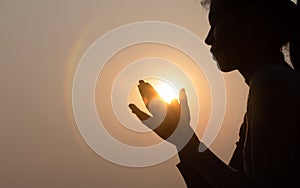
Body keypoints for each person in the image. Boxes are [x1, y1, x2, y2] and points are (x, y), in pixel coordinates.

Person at [129, 0, 300, 187]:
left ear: (249, 19)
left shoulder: (272, 81)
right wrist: (181, 138)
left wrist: (188, 143)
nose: (208, 39)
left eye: (215, 22)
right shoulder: (269, 87)